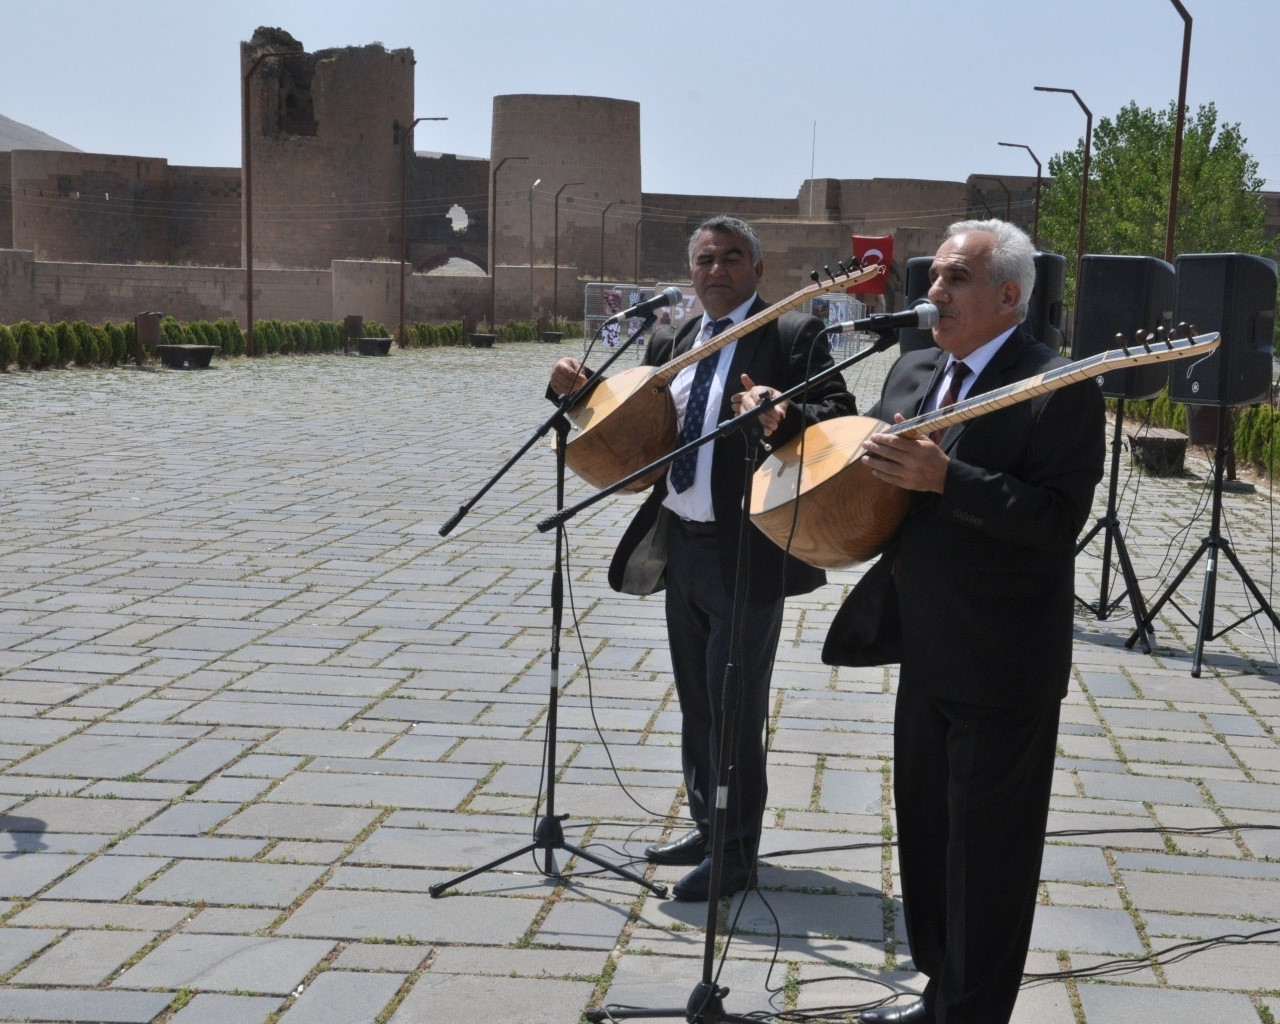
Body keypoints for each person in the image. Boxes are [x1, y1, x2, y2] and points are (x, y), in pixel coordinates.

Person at [823, 219, 1105, 1024]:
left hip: (1003, 663)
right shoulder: (915, 370)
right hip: (923, 645)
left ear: (1009, 296)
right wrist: (792, 430)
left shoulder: (1059, 384)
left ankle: (974, 1011)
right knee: (929, 842)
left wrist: (954, 480)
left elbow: (1056, 523)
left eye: (954, 280)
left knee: (989, 861)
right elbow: (872, 477)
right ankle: (943, 992)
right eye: (933, 276)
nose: (932, 293)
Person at [549, 215, 856, 901]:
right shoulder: (674, 335)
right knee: (696, 700)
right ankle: (706, 823)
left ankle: (737, 853)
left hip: (746, 550)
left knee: (734, 703)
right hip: (681, 542)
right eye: (706, 259)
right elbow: (631, 423)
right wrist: (573, 395)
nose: (718, 270)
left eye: (733, 258)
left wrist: (783, 414)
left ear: (757, 268)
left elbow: (838, 411)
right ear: (691, 271)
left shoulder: (789, 333)